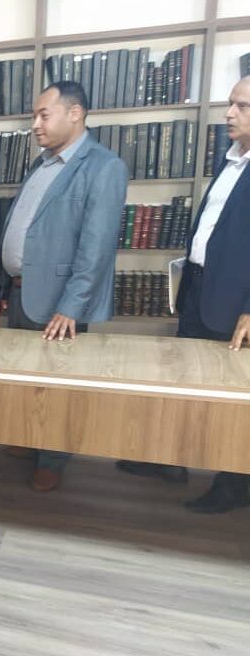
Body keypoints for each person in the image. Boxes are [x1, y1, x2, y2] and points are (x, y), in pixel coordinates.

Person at [116, 76, 250, 514]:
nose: (229, 113)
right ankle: (169, 461)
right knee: (183, 383)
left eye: (242, 106)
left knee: (232, 400)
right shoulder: (232, 160)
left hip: (236, 305)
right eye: (230, 103)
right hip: (199, 290)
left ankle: (235, 484)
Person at [0, 81, 128, 493]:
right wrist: (0, 282)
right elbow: (19, 226)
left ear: (75, 113)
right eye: (34, 116)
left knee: (55, 385)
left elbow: (96, 248)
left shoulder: (104, 167)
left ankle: (52, 460)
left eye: (43, 115)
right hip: (20, 292)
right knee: (23, 378)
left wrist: (72, 306)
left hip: (59, 302)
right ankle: (31, 440)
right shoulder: (43, 163)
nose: (35, 124)